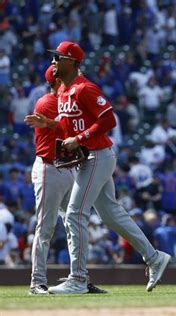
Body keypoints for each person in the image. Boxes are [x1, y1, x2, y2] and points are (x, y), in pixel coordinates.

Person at [25, 41, 170, 294]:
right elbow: (69, 128)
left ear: (72, 61)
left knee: (74, 214)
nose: (53, 62)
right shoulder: (66, 94)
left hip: (97, 156)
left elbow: (109, 119)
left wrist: (79, 139)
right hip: (89, 157)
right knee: (110, 213)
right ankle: (154, 257)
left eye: (58, 57)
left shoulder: (85, 88)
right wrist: (49, 124)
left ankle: (78, 279)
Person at [29, 66, 107, 295]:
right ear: (56, 80)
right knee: (45, 227)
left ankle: (80, 278)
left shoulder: (67, 98)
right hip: (49, 169)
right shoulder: (48, 102)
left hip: (69, 169)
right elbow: (68, 126)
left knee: (75, 223)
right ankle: (37, 282)